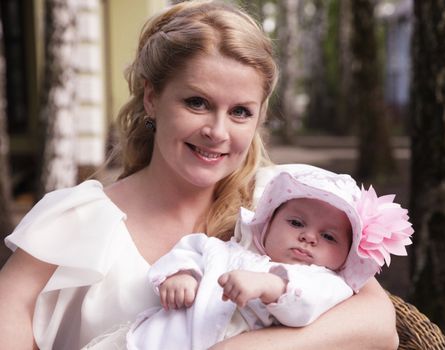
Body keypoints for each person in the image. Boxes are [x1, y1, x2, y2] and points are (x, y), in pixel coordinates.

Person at [0, 1, 399, 349]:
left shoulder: (283, 205)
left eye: (240, 111)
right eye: (197, 103)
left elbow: (379, 325)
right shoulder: (78, 220)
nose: (218, 132)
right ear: (151, 98)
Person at [85, 168, 412, 350]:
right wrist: (181, 275)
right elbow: (189, 249)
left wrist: (269, 285)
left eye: (329, 237)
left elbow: (303, 306)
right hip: (146, 343)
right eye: (296, 222)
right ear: (266, 226)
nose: (309, 237)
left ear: (344, 257)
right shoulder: (225, 250)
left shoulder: (324, 283)